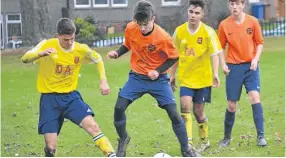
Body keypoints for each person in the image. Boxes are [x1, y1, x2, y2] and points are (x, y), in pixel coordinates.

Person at [107, 0, 200, 157]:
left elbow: (173, 57)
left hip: (159, 80)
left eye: (145, 24)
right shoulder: (131, 27)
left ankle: (186, 150)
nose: (142, 28)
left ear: (153, 19)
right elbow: (128, 44)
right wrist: (117, 53)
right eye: (139, 23)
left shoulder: (162, 37)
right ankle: (123, 139)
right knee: (118, 108)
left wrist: (157, 71)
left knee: (174, 114)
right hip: (137, 77)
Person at [21, 18, 116, 157]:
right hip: (49, 100)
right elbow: (25, 58)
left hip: (71, 98)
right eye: (66, 39)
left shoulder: (80, 49)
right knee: (51, 147)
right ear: (57, 35)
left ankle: (112, 154)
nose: (69, 42)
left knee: (93, 127)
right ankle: (49, 152)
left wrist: (103, 81)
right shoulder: (46, 45)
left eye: (72, 38)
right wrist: (40, 54)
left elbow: (98, 59)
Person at [170, 0, 222, 153]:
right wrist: (172, 76)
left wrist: (216, 74)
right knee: (185, 107)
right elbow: (174, 56)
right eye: (191, 12)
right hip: (186, 79)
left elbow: (214, 54)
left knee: (198, 112)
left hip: (203, 79)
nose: (193, 15)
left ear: (202, 15)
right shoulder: (179, 31)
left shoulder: (208, 32)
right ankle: (189, 144)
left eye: (197, 13)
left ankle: (204, 140)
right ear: (188, 12)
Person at [217, 0, 267, 147]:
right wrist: (223, 64)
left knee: (254, 97)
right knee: (232, 105)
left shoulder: (253, 22)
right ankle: (226, 138)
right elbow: (220, 47)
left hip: (251, 67)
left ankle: (261, 136)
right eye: (231, 4)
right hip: (233, 68)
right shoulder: (224, 25)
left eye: (237, 3)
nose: (234, 7)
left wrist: (256, 59)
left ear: (243, 5)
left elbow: (260, 42)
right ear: (229, 5)